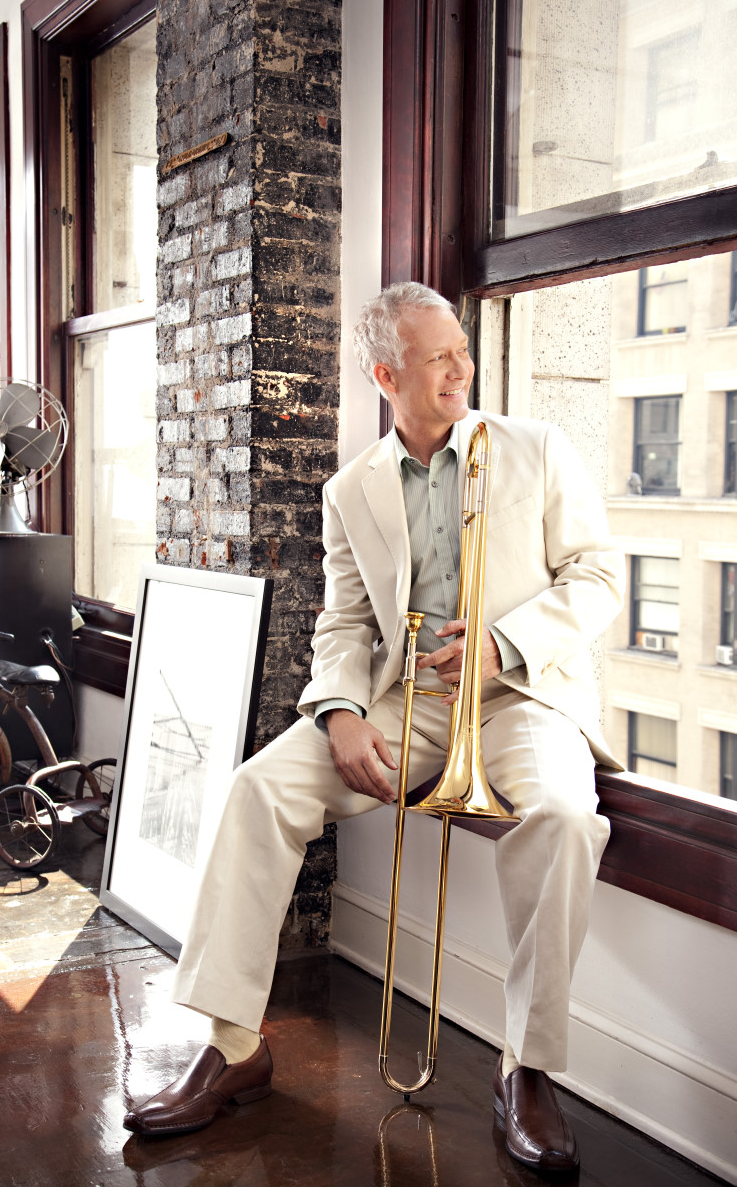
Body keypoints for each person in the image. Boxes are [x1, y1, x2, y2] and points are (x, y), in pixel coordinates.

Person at [124, 282, 625, 1175]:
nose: (462, 369)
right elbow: (347, 623)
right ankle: (233, 1046)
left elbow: (596, 580)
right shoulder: (349, 488)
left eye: (464, 350)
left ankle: (529, 1068)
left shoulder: (537, 448)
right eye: (441, 357)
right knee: (256, 789)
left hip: (520, 698)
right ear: (387, 373)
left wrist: (503, 643)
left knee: (563, 817)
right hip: (406, 707)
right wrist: (344, 710)